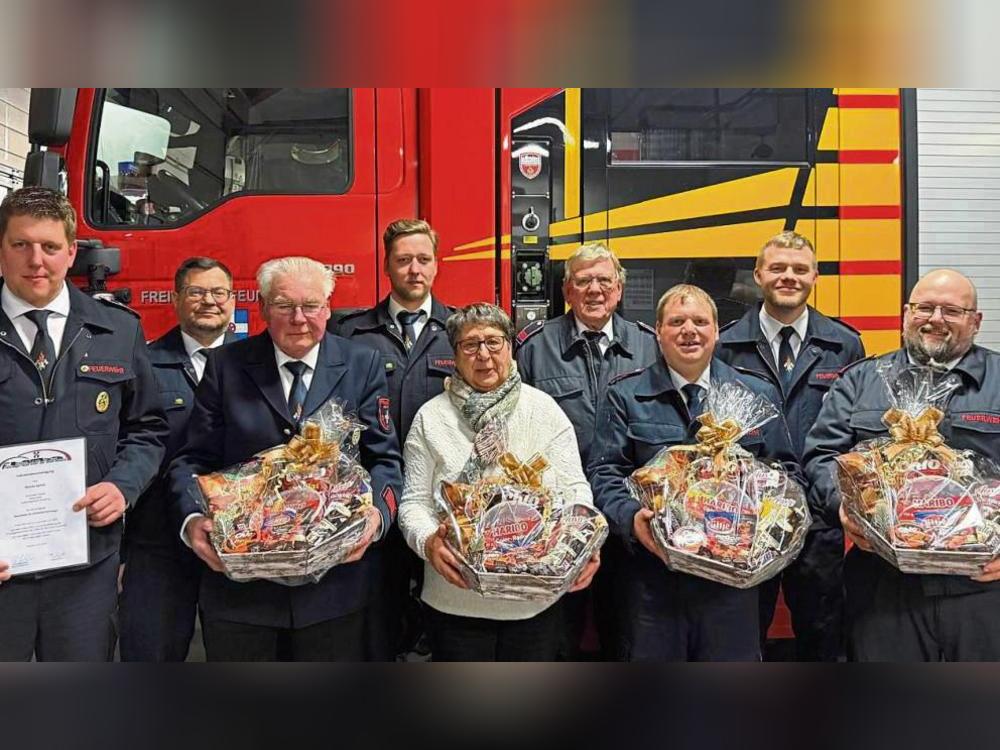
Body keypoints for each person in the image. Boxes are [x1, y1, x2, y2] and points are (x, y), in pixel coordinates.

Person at [168, 256, 402, 661]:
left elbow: (384, 460)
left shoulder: (361, 364)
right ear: (261, 308)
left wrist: (377, 519)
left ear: (328, 308)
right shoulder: (226, 366)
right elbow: (191, 459)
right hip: (242, 592)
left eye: (310, 305)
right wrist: (192, 521)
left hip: (335, 588)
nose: (298, 318)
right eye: (283, 305)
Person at [588, 284, 800, 661]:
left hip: (732, 583)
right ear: (658, 332)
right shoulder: (625, 394)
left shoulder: (754, 393)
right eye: (676, 322)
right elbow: (605, 475)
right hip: (652, 580)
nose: (689, 330)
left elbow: (786, 474)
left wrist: (765, 529)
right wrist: (632, 520)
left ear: (717, 331)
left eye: (700, 321)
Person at [0, 186, 167, 661]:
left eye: (51, 247)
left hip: (85, 567)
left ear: (71, 252)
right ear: (1, 249)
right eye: (21, 245)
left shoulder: (118, 330)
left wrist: (122, 486)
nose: (37, 260)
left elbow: (148, 428)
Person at [804, 269, 1000, 661]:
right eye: (924, 308)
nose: (935, 319)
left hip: (981, 587)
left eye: (952, 310)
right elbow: (821, 457)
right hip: (884, 585)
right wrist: (846, 508)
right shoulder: (860, 381)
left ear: (975, 321)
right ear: (905, 314)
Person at [397, 303, 600, 661]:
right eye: (470, 345)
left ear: (510, 347)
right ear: (455, 356)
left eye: (494, 342)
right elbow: (414, 502)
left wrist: (585, 543)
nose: (484, 355)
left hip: (533, 603)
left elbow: (575, 489)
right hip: (454, 598)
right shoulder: (431, 417)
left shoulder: (544, 410)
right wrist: (428, 542)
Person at [717, 231, 865, 661]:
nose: (789, 277)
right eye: (778, 268)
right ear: (759, 274)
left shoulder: (844, 344)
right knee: (742, 636)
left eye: (800, 269)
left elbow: (854, 432)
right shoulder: (726, 345)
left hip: (821, 519)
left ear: (815, 276)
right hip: (747, 521)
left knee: (824, 636)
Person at [516, 242, 658, 659]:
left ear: (619, 290)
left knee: (630, 635)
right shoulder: (533, 348)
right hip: (560, 519)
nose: (594, 290)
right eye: (583, 281)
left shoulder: (650, 346)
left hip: (633, 518)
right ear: (567, 290)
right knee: (558, 638)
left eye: (604, 281)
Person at [331, 219, 454, 659]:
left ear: (437, 265)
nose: (414, 270)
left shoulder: (459, 332)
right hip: (374, 499)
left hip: (439, 504)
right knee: (377, 620)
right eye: (403, 261)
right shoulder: (351, 333)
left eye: (423, 260)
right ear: (387, 266)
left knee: (441, 622)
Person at [118, 257, 238, 661]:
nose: (209, 301)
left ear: (233, 300)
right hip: (158, 540)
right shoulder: (144, 365)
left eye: (218, 292)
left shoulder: (256, 365)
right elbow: (127, 448)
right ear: (175, 299)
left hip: (237, 541)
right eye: (196, 292)